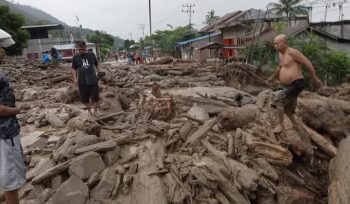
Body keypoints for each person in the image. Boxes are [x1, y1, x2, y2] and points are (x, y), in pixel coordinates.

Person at [266, 34, 322, 133]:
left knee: (278, 99)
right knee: (288, 108)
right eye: (274, 44)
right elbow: (280, 67)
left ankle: (281, 125)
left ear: (283, 43)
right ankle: (295, 124)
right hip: (287, 85)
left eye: (277, 44)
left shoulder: (292, 52)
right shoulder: (280, 54)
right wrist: (271, 78)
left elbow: (307, 62)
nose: (275, 46)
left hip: (296, 84)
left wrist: (314, 78)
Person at [0, 47, 26, 204]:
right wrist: (18, 109)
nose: (3, 50)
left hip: (6, 131)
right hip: (5, 133)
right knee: (11, 180)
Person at [72, 41, 100, 116]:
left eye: (83, 49)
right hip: (82, 81)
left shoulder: (91, 55)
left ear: (85, 48)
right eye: (79, 50)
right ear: (77, 49)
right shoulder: (75, 57)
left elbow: (96, 64)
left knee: (95, 97)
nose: (81, 51)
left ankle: (95, 111)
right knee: (85, 98)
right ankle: (89, 111)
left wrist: (98, 72)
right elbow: (74, 68)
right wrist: (75, 79)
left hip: (93, 79)